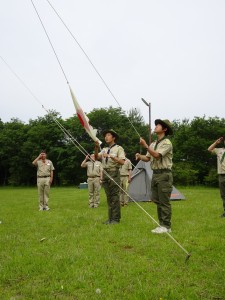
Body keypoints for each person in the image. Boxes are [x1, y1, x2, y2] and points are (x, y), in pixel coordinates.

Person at [135, 119, 173, 234]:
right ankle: (161, 224)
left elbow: (156, 155)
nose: (155, 127)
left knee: (164, 201)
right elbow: (148, 158)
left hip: (164, 174)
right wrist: (140, 156)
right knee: (156, 200)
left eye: (158, 125)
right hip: (155, 174)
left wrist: (145, 145)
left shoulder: (167, 143)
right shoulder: (153, 144)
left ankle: (166, 226)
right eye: (155, 125)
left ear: (165, 129)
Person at [95, 129, 125, 224]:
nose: (106, 137)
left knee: (115, 197)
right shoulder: (103, 149)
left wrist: (111, 156)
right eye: (105, 136)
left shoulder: (119, 148)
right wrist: (96, 148)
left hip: (114, 173)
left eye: (108, 135)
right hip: (105, 173)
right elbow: (96, 157)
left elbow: (122, 162)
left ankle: (116, 219)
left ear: (113, 137)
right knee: (109, 197)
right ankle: (110, 218)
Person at [208, 136, 225, 218]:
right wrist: (216, 142)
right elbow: (209, 149)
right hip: (222, 175)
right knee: (223, 195)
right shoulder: (219, 150)